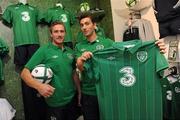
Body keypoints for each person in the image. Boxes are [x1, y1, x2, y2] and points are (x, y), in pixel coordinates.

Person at [75, 12, 167, 120]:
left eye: (87, 23)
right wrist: (81, 59)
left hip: (107, 91)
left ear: (94, 25)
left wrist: (155, 48)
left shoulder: (108, 43)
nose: (84, 27)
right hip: (89, 93)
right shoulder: (79, 46)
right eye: (82, 25)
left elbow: (123, 56)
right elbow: (80, 67)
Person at [21, 21, 80, 120]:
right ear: (51, 34)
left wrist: (79, 92)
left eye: (62, 31)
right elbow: (24, 73)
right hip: (54, 104)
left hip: (71, 100)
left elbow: (74, 73)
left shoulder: (70, 52)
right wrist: (39, 86)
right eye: (56, 31)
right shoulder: (44, 50)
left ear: (65, 33)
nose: (59, 34)